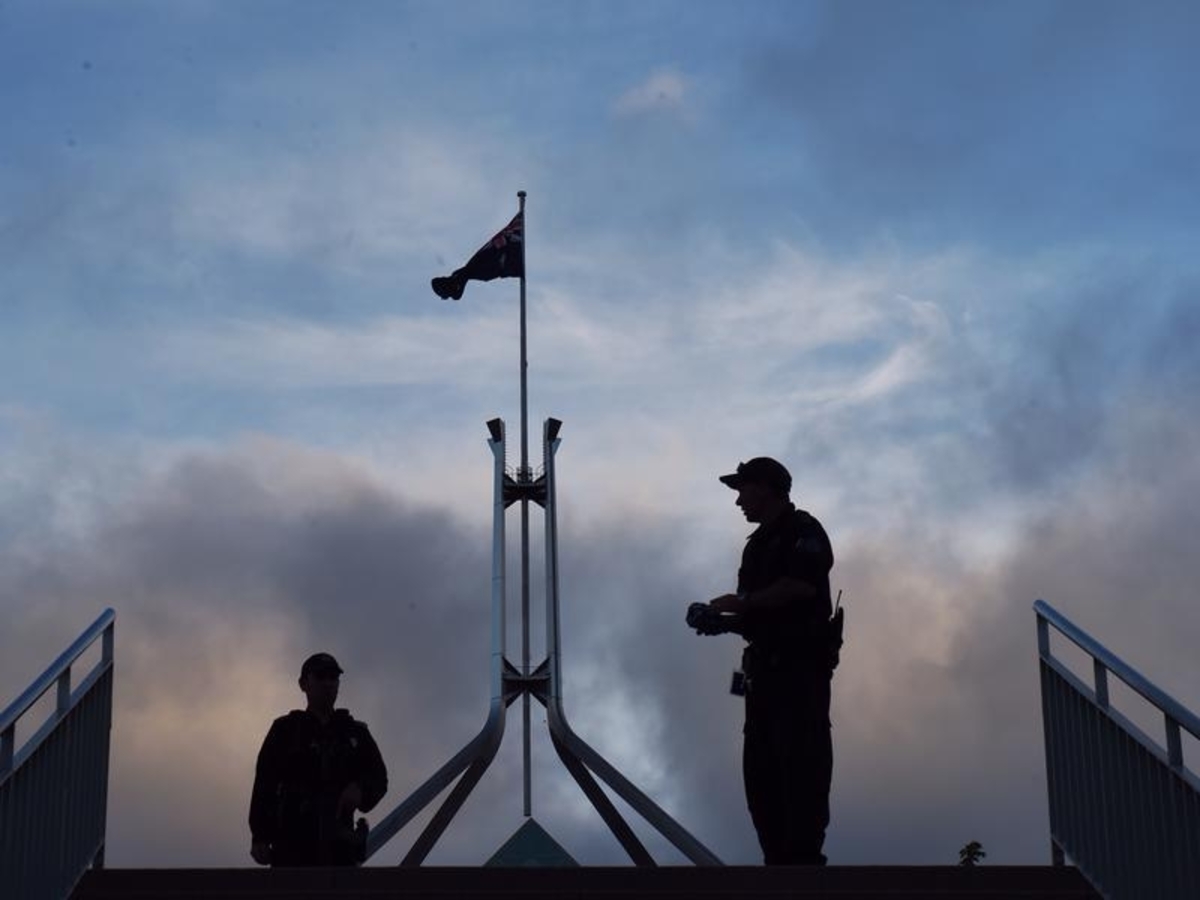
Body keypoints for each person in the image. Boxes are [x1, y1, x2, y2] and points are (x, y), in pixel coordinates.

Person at [690, 457, 838, 866]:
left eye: (743, 489)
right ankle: (777, 867)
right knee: (761, 775)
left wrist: (740, 603)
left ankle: (803, 868)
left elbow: (799, 588)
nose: (738, 500)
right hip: (762, 678)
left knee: (801, 766)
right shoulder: (755, 546)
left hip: (799, 673)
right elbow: (756, 616)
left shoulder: (804, 531)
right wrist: (719, 622)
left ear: (768, 488)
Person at [249, 652, 388, 867]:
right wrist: (260, 836)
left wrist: (360, 789)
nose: (328, 683)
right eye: (320, 676)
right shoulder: (285, 730)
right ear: (303, 684)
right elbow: (264, 784)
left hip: (339, 850)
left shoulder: (354, 732)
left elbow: (379, 778)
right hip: (291, 848)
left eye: (333, 677)